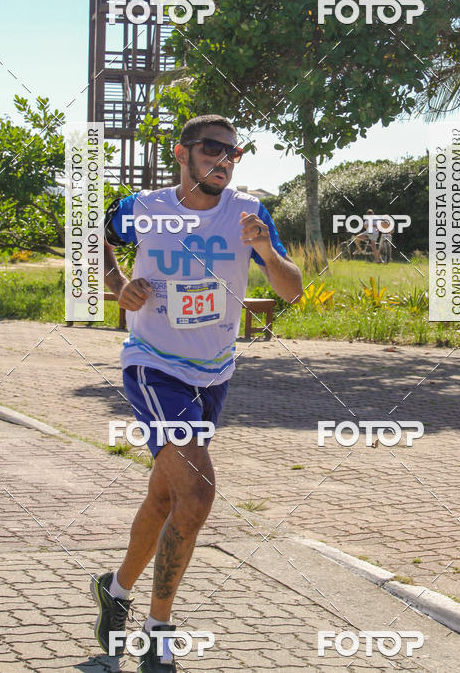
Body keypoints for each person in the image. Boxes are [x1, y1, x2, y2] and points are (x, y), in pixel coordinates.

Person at [91, 114, 302, 672]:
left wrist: (266, 250)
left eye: (234, 153)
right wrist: (118, 286)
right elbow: (95, 237)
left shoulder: (249, 214)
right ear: (182, 154)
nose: (225, 160)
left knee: (167, 498)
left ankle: (114, 590)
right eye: (213, 150)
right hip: (154, 366)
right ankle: (158, 631)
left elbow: (293, 291)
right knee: (201, 493)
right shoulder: (145, 207)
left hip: (215, 372)